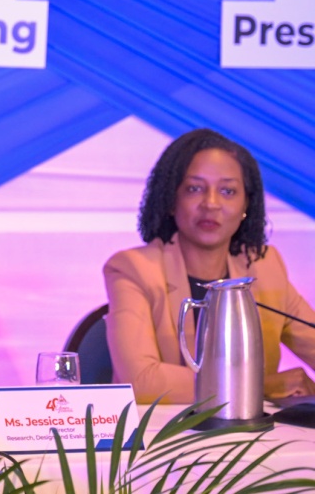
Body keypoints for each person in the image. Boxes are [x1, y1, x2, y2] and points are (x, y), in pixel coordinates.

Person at [104, 127, 315, 404]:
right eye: (195, 188)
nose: (211, 204)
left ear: (245, 205)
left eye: (228, 191)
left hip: (253, 439)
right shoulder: (133, 269)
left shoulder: (264, 265)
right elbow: (142, 381)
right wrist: (256, 385)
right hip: (166, 438)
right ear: (171, 199)